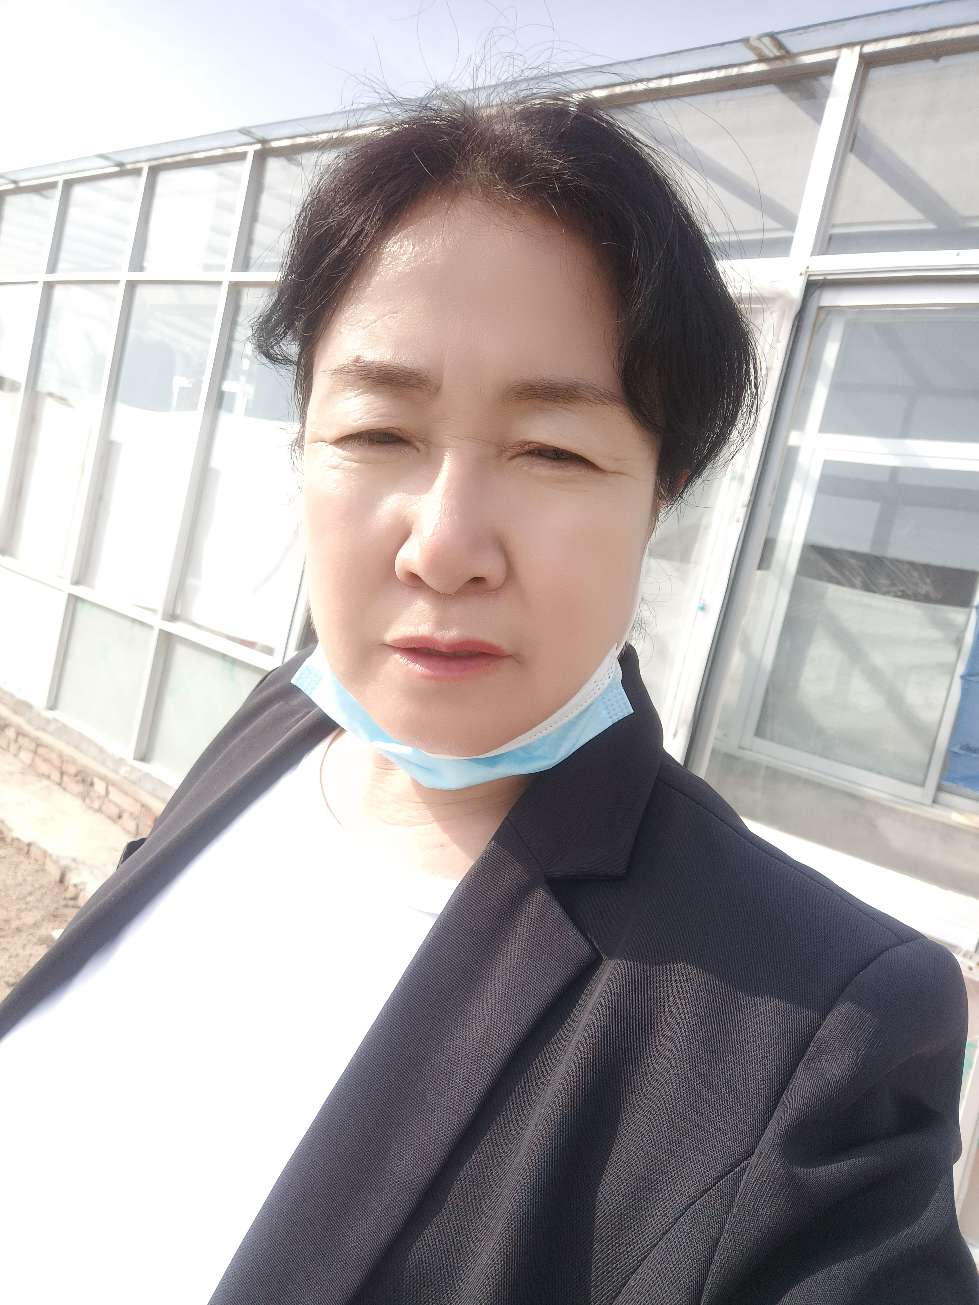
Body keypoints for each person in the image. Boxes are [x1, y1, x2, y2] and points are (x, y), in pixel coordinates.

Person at [0, 91, 975, 1305]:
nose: (444, 548)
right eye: (377, 431)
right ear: (302, 446)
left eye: (552, 450)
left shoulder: (808, 1033)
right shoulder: (283, 723)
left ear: (660, 493)